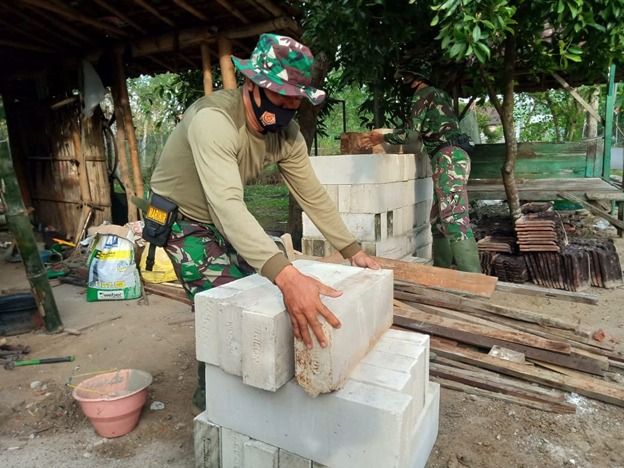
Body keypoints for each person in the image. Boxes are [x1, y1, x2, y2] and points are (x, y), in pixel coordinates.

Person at [147, 33, 379, 415]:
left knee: (260, 288)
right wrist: (287, 277)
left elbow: (312, 195)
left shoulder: (286, 134)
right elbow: (226, 205)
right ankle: (216, 406)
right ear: (252, 86)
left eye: (297, 98)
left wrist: (352, 251)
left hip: (223, 210)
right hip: (183, 218)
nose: (290, 105)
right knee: (227, 308)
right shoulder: (214, 122)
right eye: (281, 95)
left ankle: (258, 388)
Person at [361, 58, 481, 273]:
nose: (404, 82)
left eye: (406, 77)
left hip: (448, 158)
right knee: (438, 219)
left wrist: (383, 137)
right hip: (450, 157)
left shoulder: (423, 95)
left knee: (454, 216)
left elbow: (412, 133)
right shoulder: (438, 94)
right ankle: (442, 271)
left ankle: (474, 278)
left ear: (415, 78)